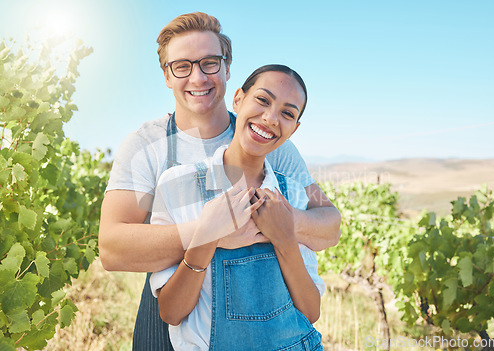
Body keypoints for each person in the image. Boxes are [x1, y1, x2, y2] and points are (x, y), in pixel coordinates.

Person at [98, 12, 341, 350]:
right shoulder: (146, 146)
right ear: (167, 76)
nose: (197, 77)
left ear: (228, 68)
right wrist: (210, 233)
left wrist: (285, 225)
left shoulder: (270, 142)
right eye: (182, 66)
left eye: (209, 63)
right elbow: (112, 248)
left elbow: (329, 224)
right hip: (174, 310)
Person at [149, 64, 325, 350]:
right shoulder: (176, 186)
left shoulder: (293, 194)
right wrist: (207, 236)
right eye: (263, 100)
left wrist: (285, 238)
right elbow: (171, 312)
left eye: (287, 113)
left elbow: (310, 311)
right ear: (238, 99)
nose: (270, 118)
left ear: (294, 128)